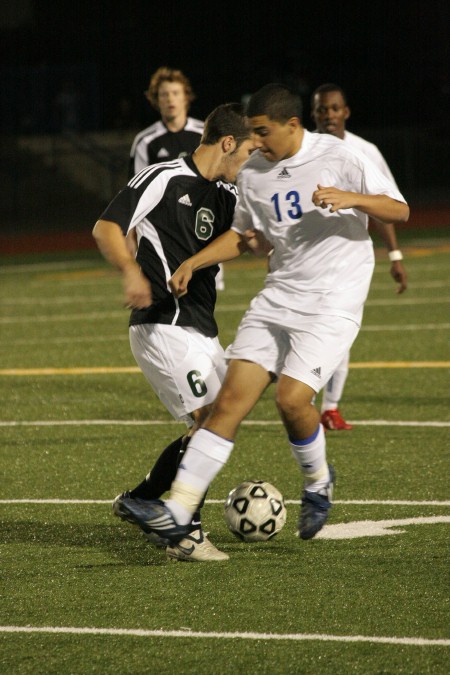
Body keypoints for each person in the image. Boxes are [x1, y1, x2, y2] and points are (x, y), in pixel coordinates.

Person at [116, 83, 409, 549]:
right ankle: (177, 508)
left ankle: (317, 482)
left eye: (264, 133)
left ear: (293, 126)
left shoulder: (340, 156)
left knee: (291, 400)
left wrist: (353, 200)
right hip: (278, 296)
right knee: (228, 402)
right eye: (253, 134)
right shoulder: (254, 172)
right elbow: (241, 235)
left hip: (332, 301)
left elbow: (400, 208)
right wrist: (194, 261)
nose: (257, 144)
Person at [92, 102, 255, 561]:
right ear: (227, 143)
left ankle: (142, 498)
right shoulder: (163, 177)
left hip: (200, 325)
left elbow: (240, 238)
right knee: (207, 423)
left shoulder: (225, 193)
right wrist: (129, 270)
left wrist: (201, 259)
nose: (246, 164)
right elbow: (106, 226)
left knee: (218, 423)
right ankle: (184, 533)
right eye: (245, 153)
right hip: (163, 323)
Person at [311, 82, 408, 430]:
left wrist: (394, 254)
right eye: (322, 109)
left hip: (348, 259)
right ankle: (306, 402)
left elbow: (389, 205)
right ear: (314, 114)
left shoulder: (365, 151)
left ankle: (329, 408)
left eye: (334, 108)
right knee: (307, 328)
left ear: (345, 112)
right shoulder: (303, 150)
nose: (328, 115)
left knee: (340, 327)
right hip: (307, 258)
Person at [129, 66, 225, 289]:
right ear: (156, 100)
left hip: (200, 227)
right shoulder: (146, 141)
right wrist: (131, 238)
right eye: (164, 94)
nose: (170, 99)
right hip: (162, 231)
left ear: (186, 97)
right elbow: (136, 193)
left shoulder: (204, 133)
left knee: (203, 298)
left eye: (175, 93)